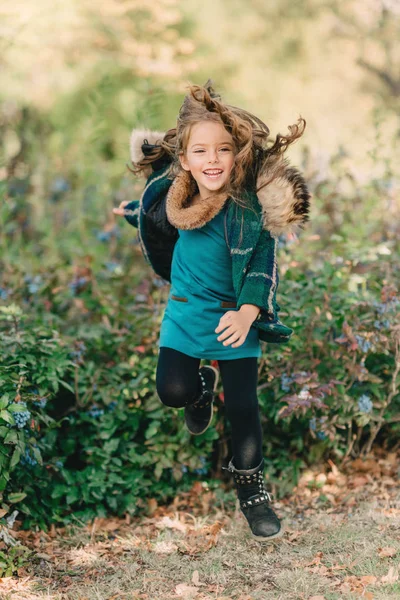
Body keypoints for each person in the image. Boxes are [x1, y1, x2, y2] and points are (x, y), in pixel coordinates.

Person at [113, 80, 311, 541]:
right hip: (184, 312)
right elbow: (155, 219)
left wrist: (246, 314)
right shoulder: (173, 197)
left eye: (223, 149)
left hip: (233, 318)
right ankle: (200, 387)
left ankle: (252, 491)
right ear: (184, 160)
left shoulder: (247, 207)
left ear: (237, 155)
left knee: (243, 408)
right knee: (172, 389)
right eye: (201, 151)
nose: (213, 160)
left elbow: (263, 264)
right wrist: (131, 212)